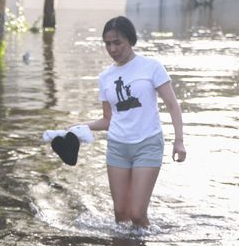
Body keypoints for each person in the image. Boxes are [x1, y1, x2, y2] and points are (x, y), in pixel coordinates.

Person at [77, 15, 186, 228]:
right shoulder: (105, 77)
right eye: (108, 44)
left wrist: (179, 141)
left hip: (147, 144)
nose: (113, 49)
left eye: (117, 42)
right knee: (120, 214)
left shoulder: (151, 67)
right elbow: (108, 119)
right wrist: (80, 127)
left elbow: (173, 105)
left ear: (130, 40)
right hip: (117, 147)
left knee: (136, 214)